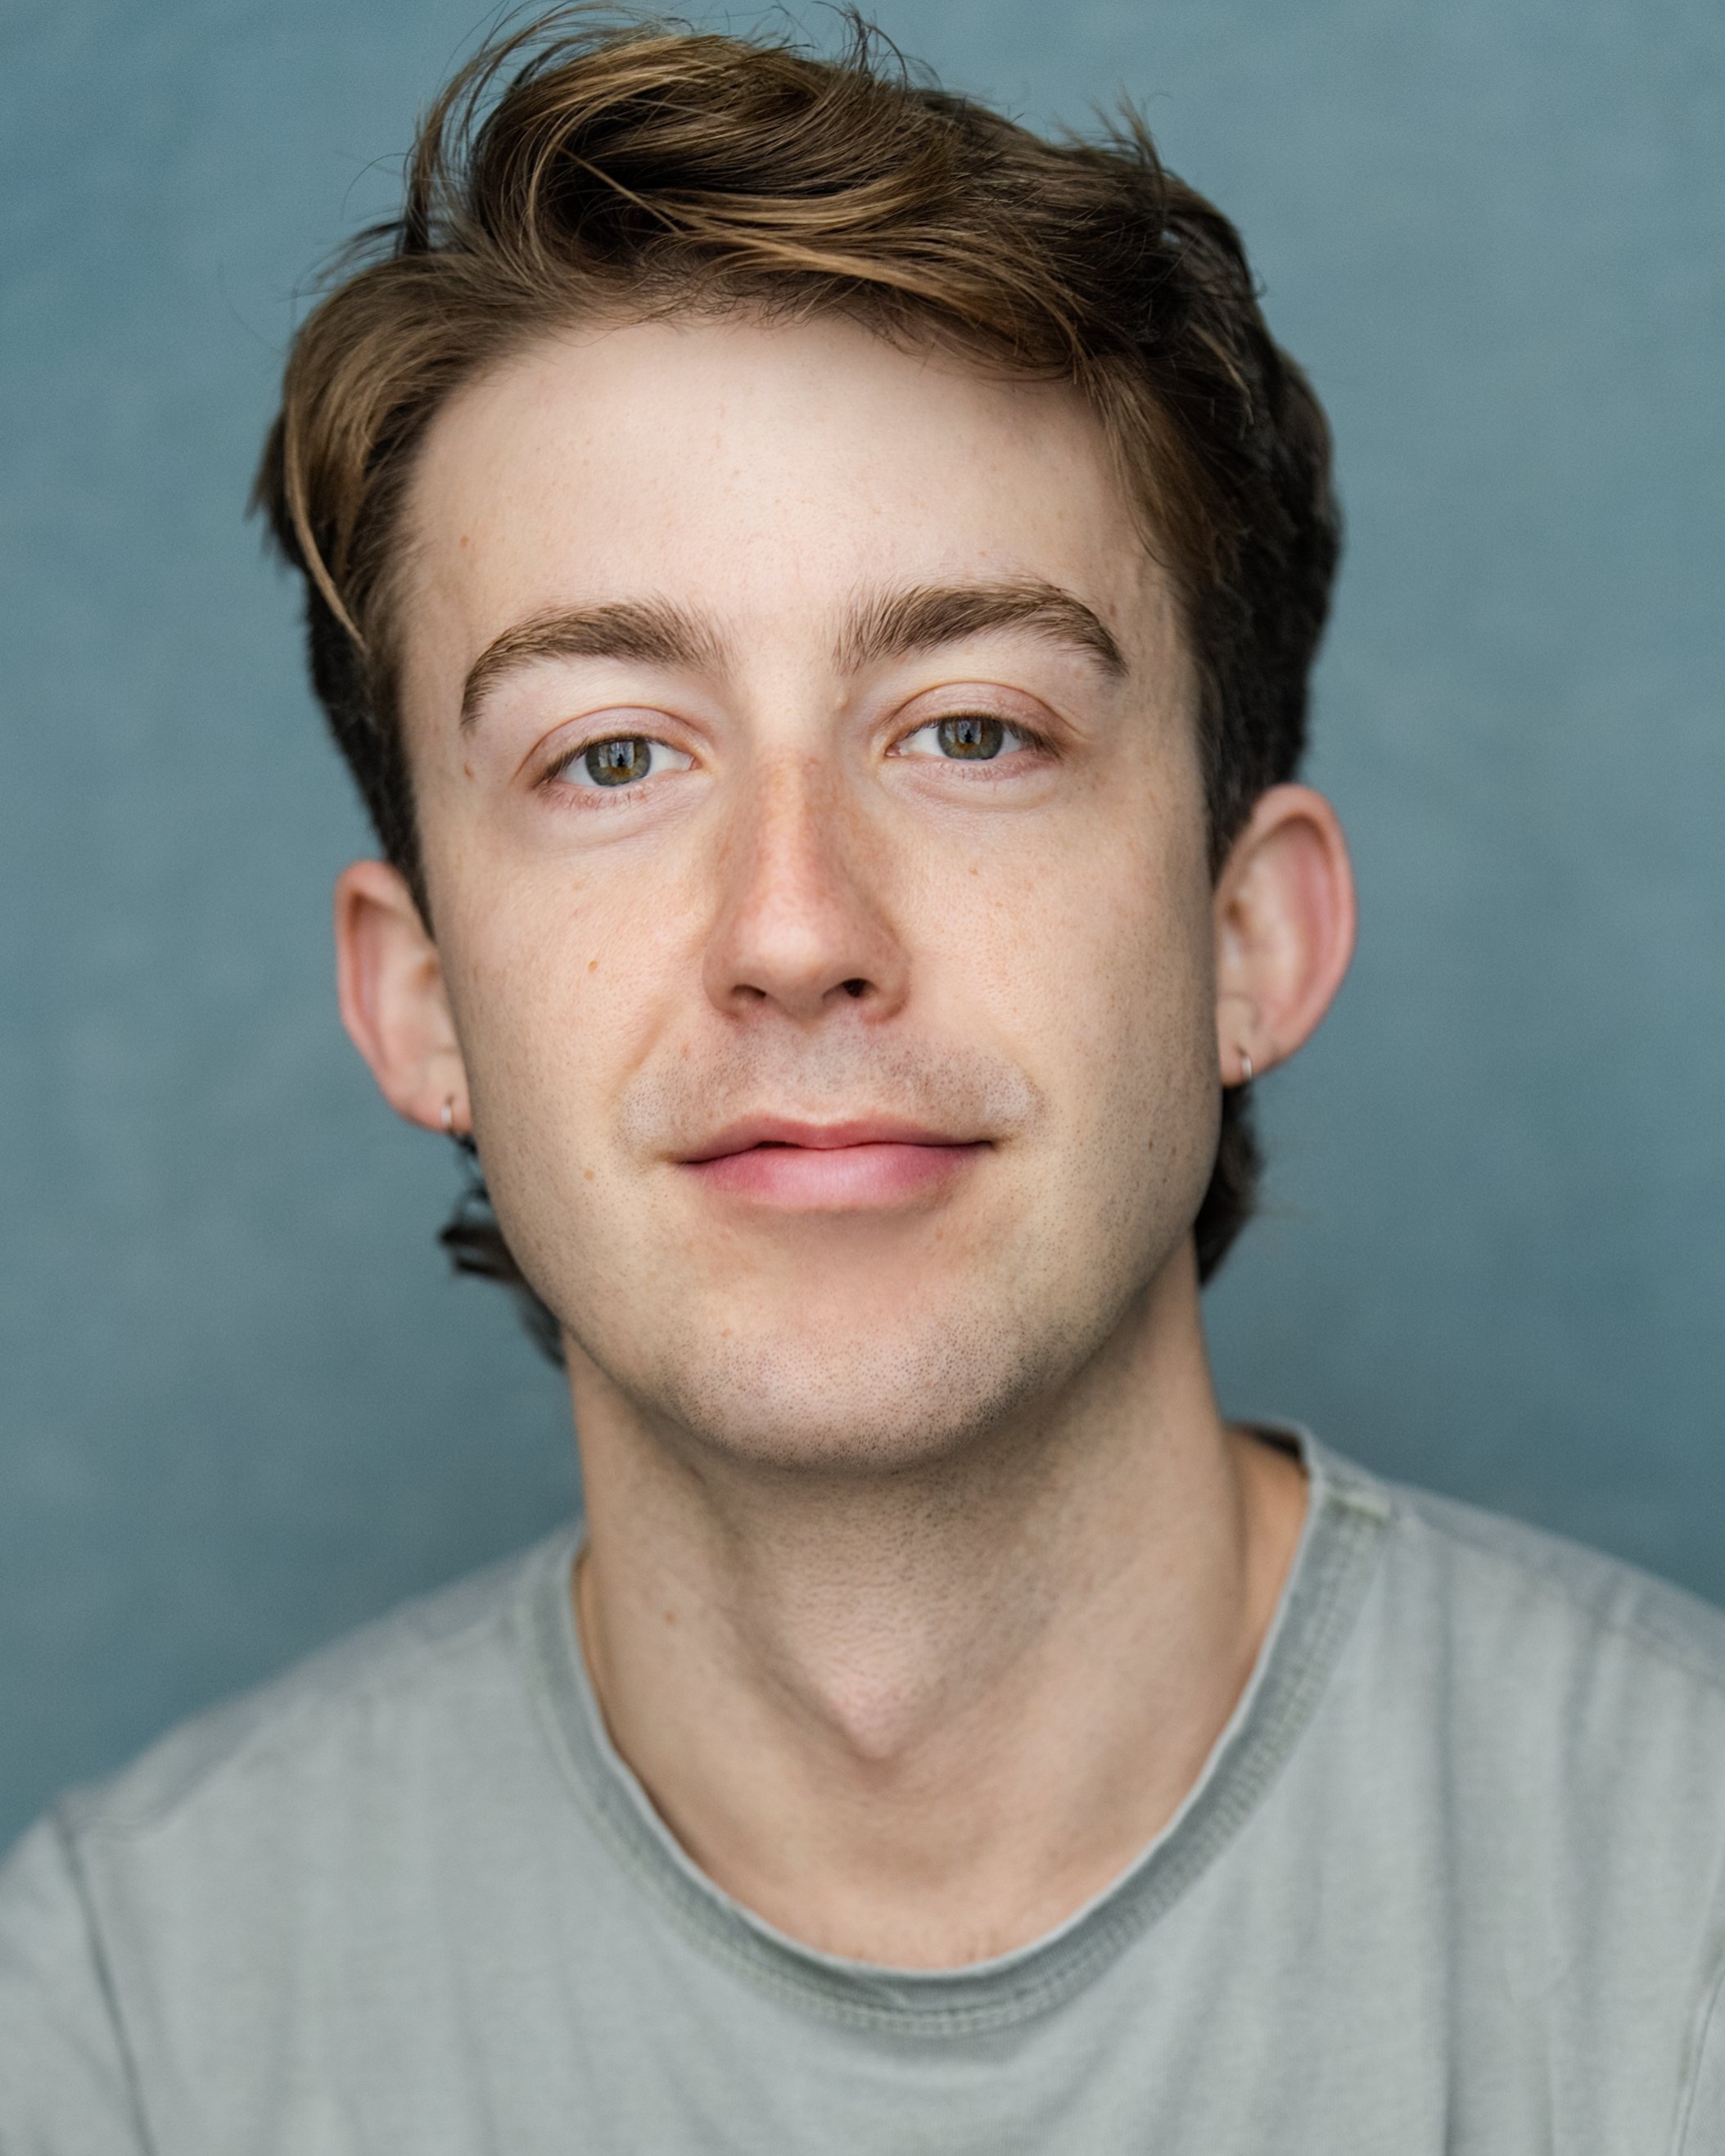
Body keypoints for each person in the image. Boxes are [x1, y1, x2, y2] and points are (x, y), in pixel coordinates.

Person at [2, 14, 1723, 2149]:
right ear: (420, 1001)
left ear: (1242, 938)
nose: (795, 921)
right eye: (609, 754)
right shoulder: (120, 2026)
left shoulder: (1683, 1934)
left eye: (972, 729)